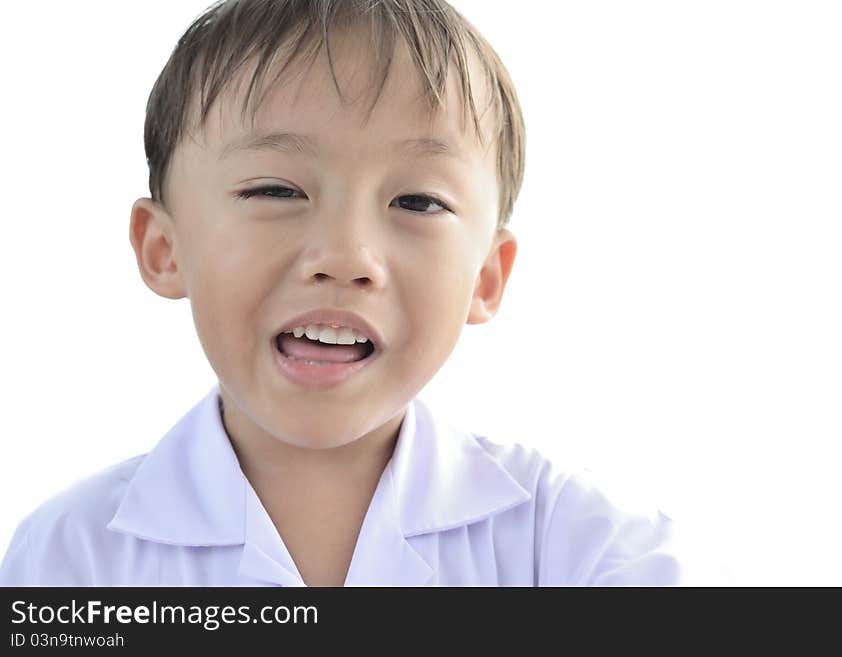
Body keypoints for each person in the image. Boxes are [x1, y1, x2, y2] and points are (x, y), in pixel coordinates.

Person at [0, 0, 680, 586]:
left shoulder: (581, 547)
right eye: (275, 190)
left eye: (417, 200)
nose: (346, 258)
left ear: (486, 275)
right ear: (163, 249)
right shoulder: (71, 558)